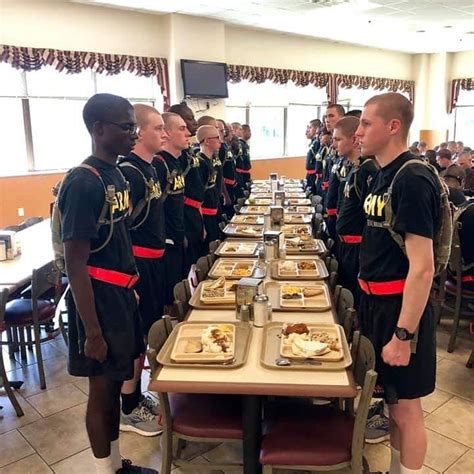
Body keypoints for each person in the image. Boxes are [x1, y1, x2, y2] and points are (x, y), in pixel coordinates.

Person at [59, 93, 156, 473]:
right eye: (126, 126)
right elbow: (75, 261)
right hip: (96, 300)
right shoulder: (83, 181)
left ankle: (117, 464)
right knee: (101, 392)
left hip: (120, 293)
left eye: (135, 125)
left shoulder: (116, 172)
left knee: (116, 385)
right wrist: (93, 331)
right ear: (99, 129)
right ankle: (105, 471)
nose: (133, 133)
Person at [356, 92, 439, 474]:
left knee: (407, 409)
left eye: (366, 123)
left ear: (393, 127)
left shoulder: (414, 178)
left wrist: (403, 336)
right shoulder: (380, 174)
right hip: (376, 306)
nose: (358, 132)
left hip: (400, 311)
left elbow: (422, 267)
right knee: (390, 403)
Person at [117, 105, 167, 437]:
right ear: (140, 132)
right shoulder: (129, 173)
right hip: (138, 265)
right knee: (134, 340)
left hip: (155, 261)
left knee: (147, 331)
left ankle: (136, 395)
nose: (164, 133)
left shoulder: (150, 169)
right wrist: (130, 277)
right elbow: (120, 230)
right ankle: (128, 407)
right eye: (159, 128)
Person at [333, 116, 377, 308]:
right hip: (345, 245)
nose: (334, 145)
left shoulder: (367, 170)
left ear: (353, 140)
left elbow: (369, 217)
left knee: (354, 300)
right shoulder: (355, 169)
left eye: (338, 139)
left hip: (356, 248)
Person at [153, 112, 189, 310]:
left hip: (177, 237)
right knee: (167, 301)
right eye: (182, 129)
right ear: (166, 133)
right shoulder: (158, 164)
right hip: (164, 244)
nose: (188, 133)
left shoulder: (176, 161)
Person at [197, 125, 222, 243]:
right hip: (205, 214)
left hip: (214, 210)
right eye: (217, 137)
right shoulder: (200, 164)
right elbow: (198, 196)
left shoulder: (210, 160)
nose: (220, 140)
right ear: (207, 141)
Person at [304, 119, 321, 193]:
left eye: (310, 127)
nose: (307, 130)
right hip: (309, 176)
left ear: (317, 128)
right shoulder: (313, 142)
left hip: (314, 177)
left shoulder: (318, 142)